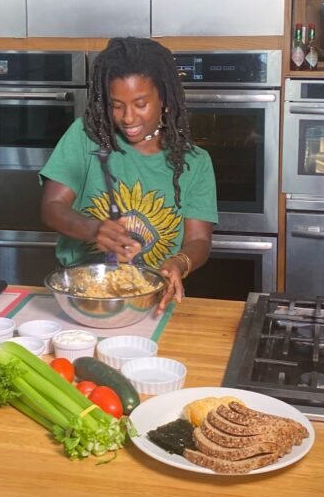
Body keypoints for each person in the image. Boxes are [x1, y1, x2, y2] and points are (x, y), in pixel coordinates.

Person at [40, 37, 217, 308]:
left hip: (154, 299)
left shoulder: (195, 162)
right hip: (83, 296)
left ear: (164, 99)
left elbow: (199, 240)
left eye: (140, 104)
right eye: (117, 105)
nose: (128, 118)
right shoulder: (85, 136)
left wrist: (179, 263)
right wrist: (93, 229)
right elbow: (52, 207)